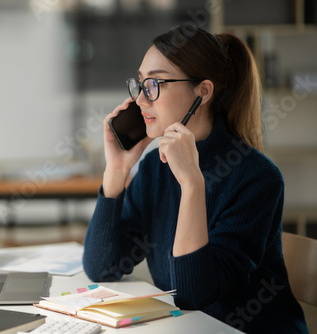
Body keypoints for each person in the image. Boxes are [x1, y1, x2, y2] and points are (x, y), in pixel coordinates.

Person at [82, 25, 309, 334]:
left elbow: (193, 294)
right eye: (140, 83)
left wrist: (191, 183)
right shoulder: (153, 168)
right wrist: (117, 171)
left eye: (155, 84)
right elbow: (102, 268)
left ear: (202, 92)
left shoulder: (258, 179)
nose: (140, 100)